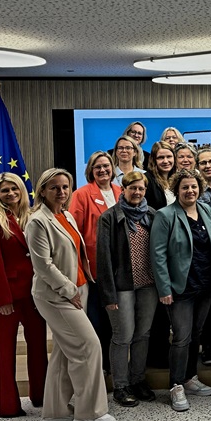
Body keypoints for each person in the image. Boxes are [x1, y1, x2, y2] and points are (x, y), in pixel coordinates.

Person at [25, 168, 114, 421]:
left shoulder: (65, 215)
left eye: (65, 187)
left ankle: (56, 411)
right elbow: (43, 265)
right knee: (89, 346)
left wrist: (82, 286)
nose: (61, 192)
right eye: (54, 187)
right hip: (56, 295)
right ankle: (90, 413)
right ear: (42, 190)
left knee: (65, 352)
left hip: (79, 289)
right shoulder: (37, 221)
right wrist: (70, 290)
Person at [150, 169, 211, 412]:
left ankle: (190, 378)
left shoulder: (204, 210)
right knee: (181, 337)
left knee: (196, 333)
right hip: (180, 287)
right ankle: (175, 385)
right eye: (185, 188)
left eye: (193, 187)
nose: (190, 191)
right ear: (176, 190)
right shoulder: (165, 215)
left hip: (205, 283)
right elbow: (157, 255)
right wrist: (164, 287)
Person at [0, 173, 47, 418]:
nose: (10, 194)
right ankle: (8, 406)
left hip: (34, 294)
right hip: (7, 297)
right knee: (4, 353)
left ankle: (40, 396)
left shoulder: (34, 218)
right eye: (4, 190)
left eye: (13, 189)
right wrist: (3, 300)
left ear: (21, 190)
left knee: (39, 348)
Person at [96, 171, 158, 407]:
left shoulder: (152, 215)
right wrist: (108, 294)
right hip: (121, 287)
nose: (137, 193)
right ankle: (121, 386)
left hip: (148, 286)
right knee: (123, 336)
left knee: (143, 334)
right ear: (123, 189)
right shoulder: (109, 218)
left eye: (141, 189)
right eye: (133, 188)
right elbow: (103, 259)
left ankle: (138, 379)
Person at [70, 151, 122, 368]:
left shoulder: (121, 191)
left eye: (106, 166)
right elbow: (74, 233)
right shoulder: (81, 195)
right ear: (90, 171)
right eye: (97, 167)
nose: (102, 170)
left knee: (116, 319)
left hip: (120, 266)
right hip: (95, 266)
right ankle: (97, 366)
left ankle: (112, 364)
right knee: (97, 319)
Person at [144, 141, 176, 210]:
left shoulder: (177, 179)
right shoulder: (146, 180)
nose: (166, 161)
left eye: (169, 157)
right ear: (153, 160)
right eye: (161, 157)